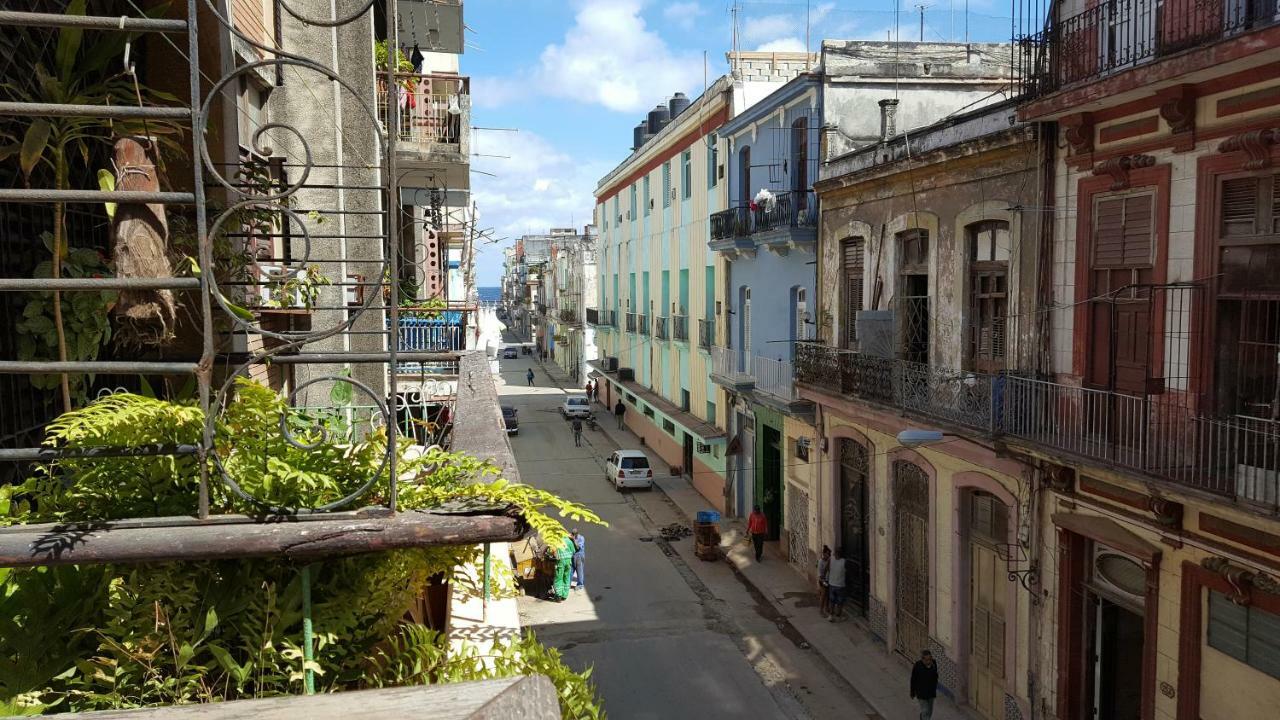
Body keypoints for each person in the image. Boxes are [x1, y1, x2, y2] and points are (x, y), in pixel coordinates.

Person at [910, 649, 939, 720]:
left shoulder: (934, 664)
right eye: (926, 660)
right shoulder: (917, 666)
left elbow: (935, 676)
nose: (928, 661)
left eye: (930, 659)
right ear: (922, 659)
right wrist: (912, 692)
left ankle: (922, 716)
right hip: (921, 693)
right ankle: (924, 717)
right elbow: (913, 679)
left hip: (931, 692)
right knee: (925, 710)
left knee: (929, 711)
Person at [548, 534, 575, 602]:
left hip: (560, 562)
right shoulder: (569, 541)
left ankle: (558, 596)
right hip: (568, 562)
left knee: (558, 579)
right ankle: (565, 595)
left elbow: (550, 551)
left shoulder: (557, 541)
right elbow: (573, 551)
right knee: (566, 578)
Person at [827, 547, 847, 622]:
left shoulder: (831, 559)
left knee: (832, 601)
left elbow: (827, 569)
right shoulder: (844, 561)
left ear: (835, 553)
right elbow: (847, 572)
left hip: (832, 584)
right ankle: (839, 616)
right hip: (840, 585)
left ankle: (831, 616)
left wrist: (826, 577)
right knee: (840, 602)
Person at [817, 545, 832, 618]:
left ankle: (827, 608)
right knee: (823, 596)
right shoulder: (821, 562)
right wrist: (823, 582)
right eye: (827, 554)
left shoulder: (829, 561)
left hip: (829, 580)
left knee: (828, 595)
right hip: (823, 580)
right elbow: (820, 575)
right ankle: (821, 610)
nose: (828, 556)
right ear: (824, 554)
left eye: (829, 554)